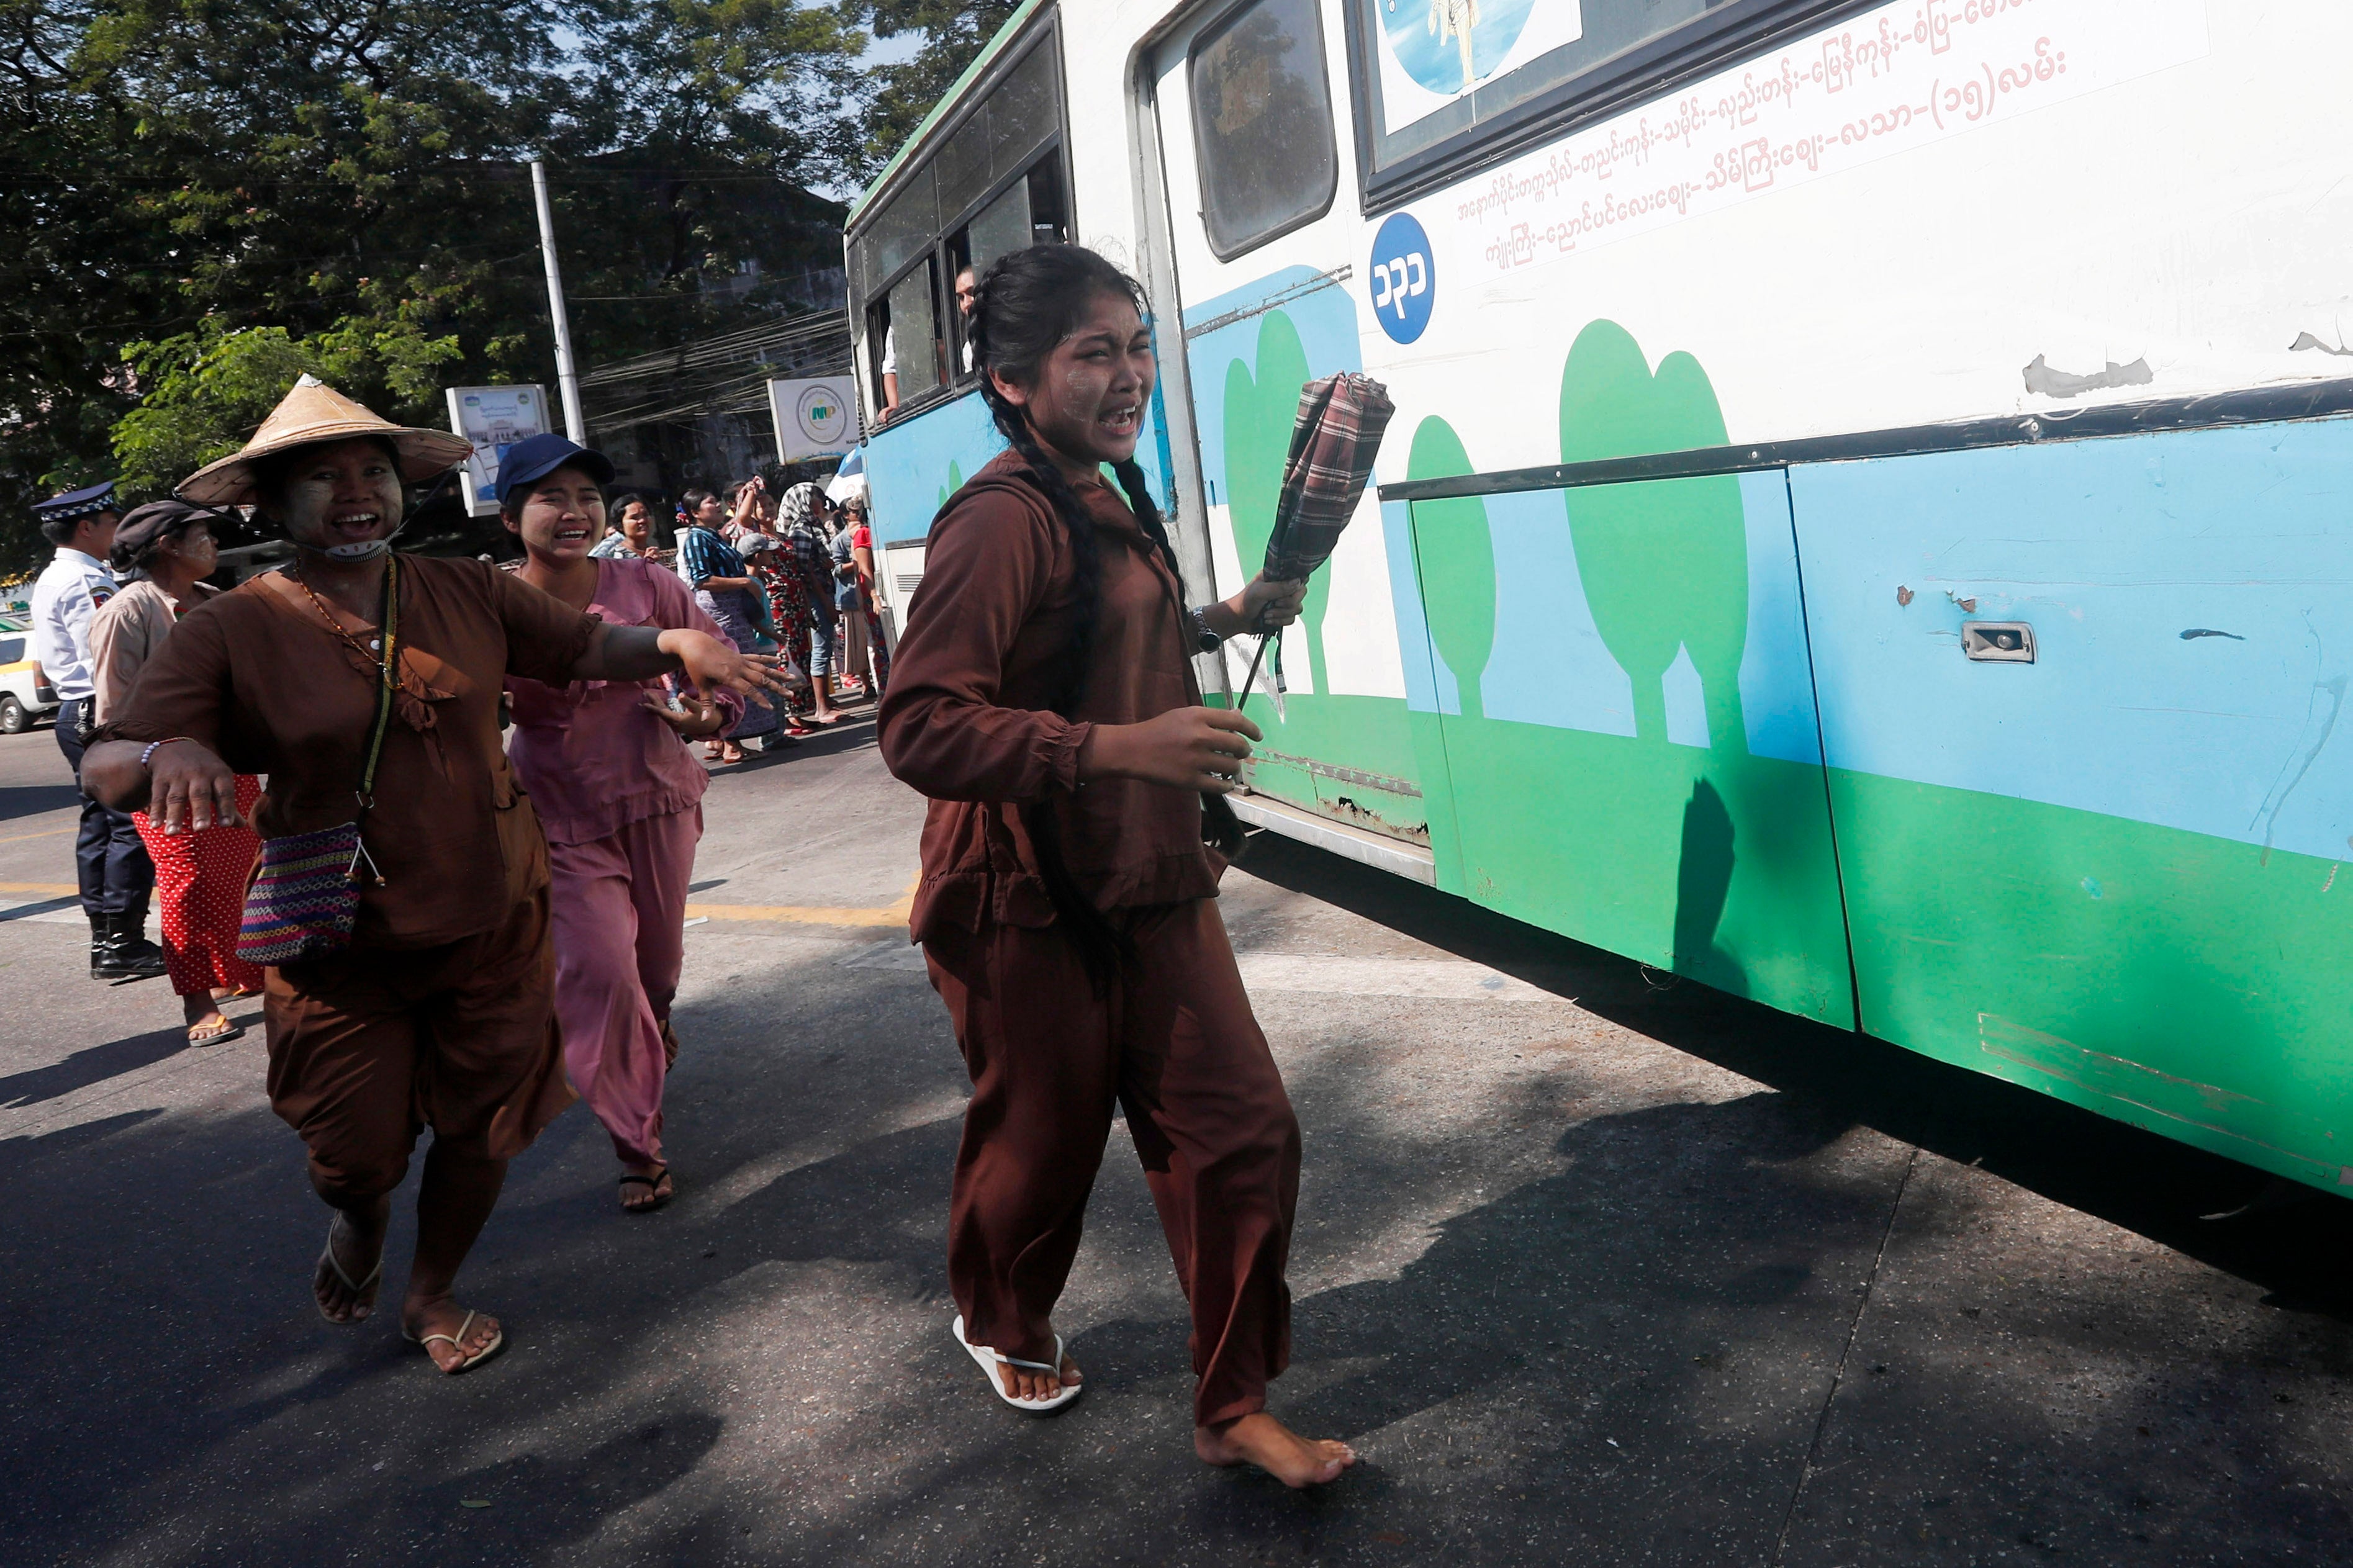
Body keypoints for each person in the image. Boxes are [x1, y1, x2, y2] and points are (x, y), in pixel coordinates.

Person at [82, 376, 789, 1374]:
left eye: (373, 470)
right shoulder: (232, 627)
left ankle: (433, 1288)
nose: (356, 490)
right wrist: (165, 759)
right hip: (341, 946)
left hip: (492, 920)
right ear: (271, 506)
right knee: (352, 1155)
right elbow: (108, 759)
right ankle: (362, 1225)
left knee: (481, 1126)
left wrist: (674, 639)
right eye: (323, 477)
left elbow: (589, 643)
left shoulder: (467, 590)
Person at [875, 245, 1346, 1486]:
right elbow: (919, 724)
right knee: (1042, 1144)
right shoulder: (998, 516)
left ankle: (1232, 1403)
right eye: (1096, 352)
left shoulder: (1108, 490)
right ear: (1018, 381)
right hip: (1019, 896)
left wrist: (1222, 616)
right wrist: (1121, 745)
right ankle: (1000, 1314)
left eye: (1137, 345)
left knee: (1242, 1129)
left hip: (1147, 872)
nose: (1130, 373)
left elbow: (1091, 628)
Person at [498, 435, 739, 1214]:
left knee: (655, 972)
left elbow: (719, 660)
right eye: (550, 497)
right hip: (559, 817)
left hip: (657, 796)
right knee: (600, 975)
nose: (573, 512)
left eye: (585, 498)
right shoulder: (494, 607)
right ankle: (638, 1143)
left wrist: (711, 716)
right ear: (509, 517)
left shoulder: (649, 583)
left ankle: (653, 1021)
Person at [87, 500, 265, 1043]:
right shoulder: (127, 612)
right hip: (164, 775)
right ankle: (195, 1002)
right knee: (186, 882)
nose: (213, 544)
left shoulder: (216, 604)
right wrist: (157, 753)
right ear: (168, 545)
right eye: (202, 535)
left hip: (228, 762)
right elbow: (113, 717)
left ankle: (241, 971)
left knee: (242, 872)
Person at [30, 480, 168, 981]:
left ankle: (107, 940)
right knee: (129, 823)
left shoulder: (54, 577)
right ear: (87, 527)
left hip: (75, 710)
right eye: (112, 523)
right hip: (100, 707)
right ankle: (122, 942)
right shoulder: (90, 582)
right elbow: (108, 655)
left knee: (99, 826)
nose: (118, 531)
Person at [675, 485, 783, 764]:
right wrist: (744, 582)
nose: (717, 505)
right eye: (710, 502)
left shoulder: (714, 535)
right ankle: (731, 744)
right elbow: (702, 579)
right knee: (728, 672)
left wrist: (748, 493)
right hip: (719, 611)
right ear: (695, 513)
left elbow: (741, 520)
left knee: (738, 670)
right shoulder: (698, 539)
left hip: (733, 610)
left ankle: (729, 741)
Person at [774, 484, 846, 724]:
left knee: (823, 646)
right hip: (817, 596)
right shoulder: (802, 528)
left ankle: (824, 701)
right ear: (805, 501)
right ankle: (822, 708)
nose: (822, 504)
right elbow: (804, 568)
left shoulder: (811, 524)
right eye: (818, 499)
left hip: (822, 593)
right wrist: (824, 600)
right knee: (821, 647)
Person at [590, 492, 667, 561]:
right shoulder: (612, 555)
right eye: (634, 517)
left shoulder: (653, 552)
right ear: (620, 525)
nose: (643, 520)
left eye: (645, 515)